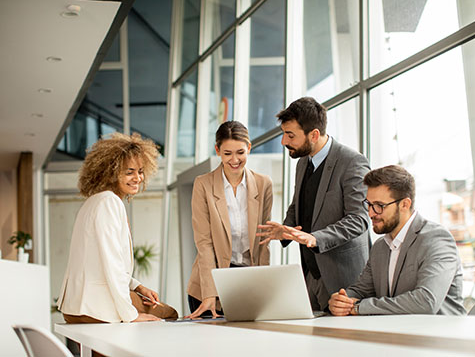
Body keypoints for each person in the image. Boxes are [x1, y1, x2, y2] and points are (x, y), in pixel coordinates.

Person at [258, 97, 370, 311]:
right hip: (311, 275)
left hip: (344, 279)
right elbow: (299, 202)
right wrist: (285, 228)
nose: (283, 142)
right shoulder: (302, 162)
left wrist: (315, 238)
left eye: (290, 135)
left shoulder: (351, 162)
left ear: (314, 134)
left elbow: (359, 219)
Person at [57, 132, 178, 326]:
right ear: (110, 172)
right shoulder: (109, 202)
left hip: (75, 307)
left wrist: (138, 286)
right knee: (170, 314)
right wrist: (131, 314)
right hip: (95, 307)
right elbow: (111, 263)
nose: (137, 178)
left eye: (140, 171)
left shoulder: (93, 202)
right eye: (129, 172)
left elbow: (100, 262)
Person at [328, 165, 466, 316]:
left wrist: (359, 307)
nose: (371, 213)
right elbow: (361, 289)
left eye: (379, 206)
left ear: (404, 204)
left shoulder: (437, 240)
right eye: (369, 204)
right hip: (396, 334)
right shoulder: (380, 246)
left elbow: (426, 302)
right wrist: (342, 300)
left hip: (439, 335)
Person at [186, 121, 273, 318]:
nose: (235, 160)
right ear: (217, 150)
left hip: (247, 282)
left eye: (240, 152)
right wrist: (210, 293)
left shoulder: (263, 184)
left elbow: (263, 241)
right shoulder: (203, 185)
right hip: (210, 284)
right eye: (227, 154)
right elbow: (204, 243)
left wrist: (264, 288)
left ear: (249, 148)